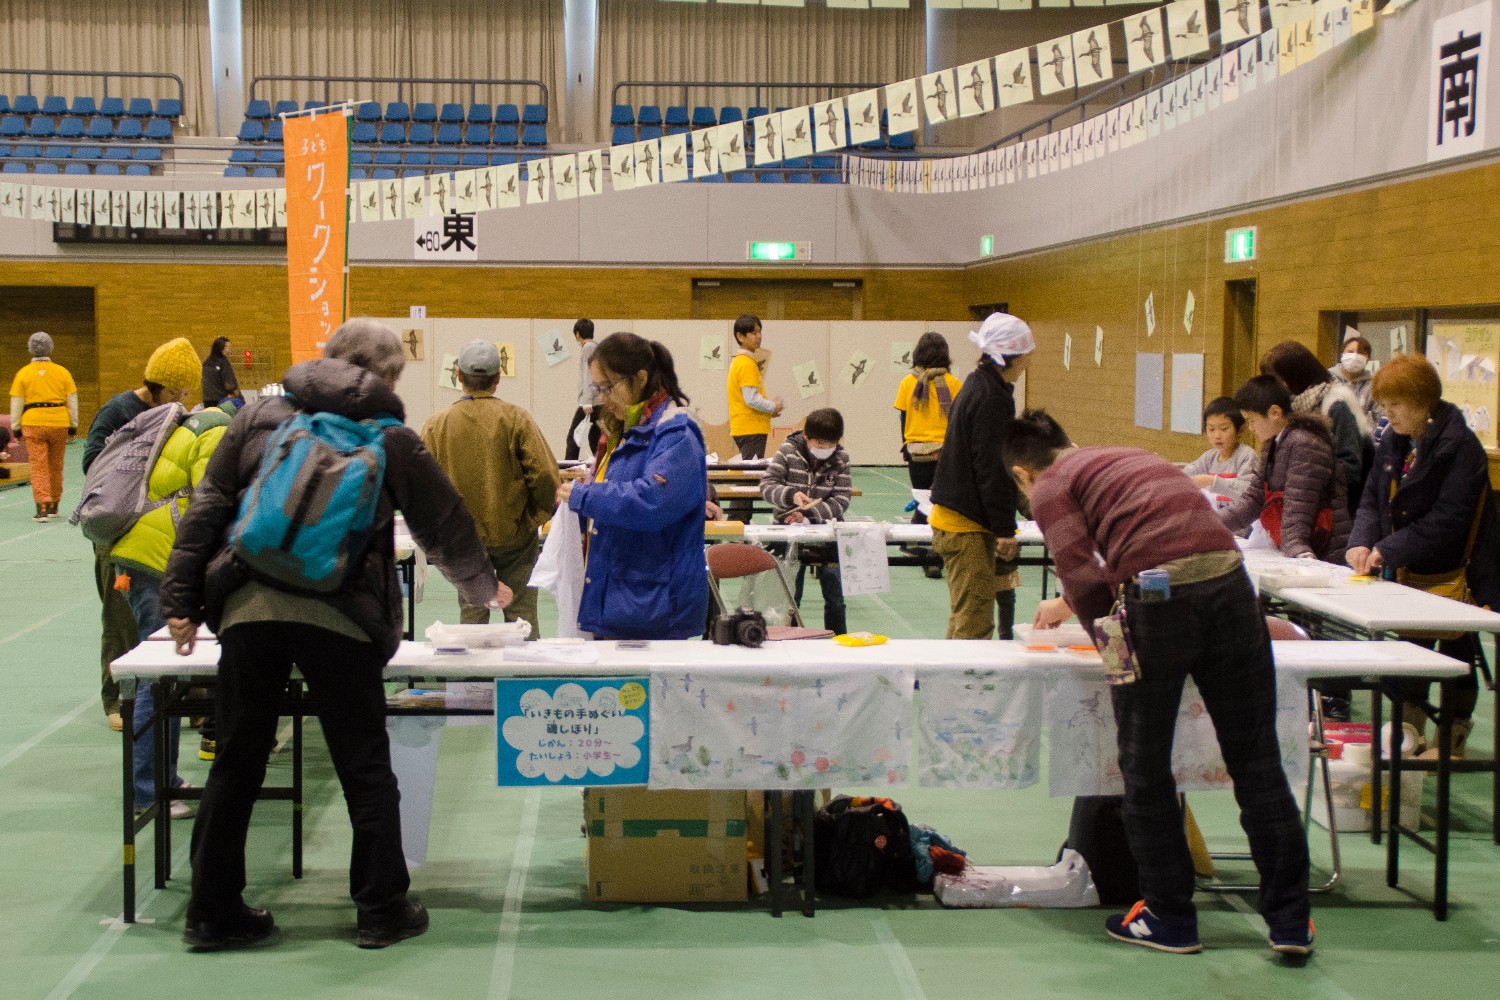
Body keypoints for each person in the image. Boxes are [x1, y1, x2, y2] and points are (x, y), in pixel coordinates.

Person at [161, 318, 508, 951]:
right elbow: (444, 522)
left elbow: (209, 506)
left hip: (248, 606)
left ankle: (211, 912)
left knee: (236, 759)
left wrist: (182, 600)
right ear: (388, 377)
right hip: (342, 616)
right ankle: (380, 910)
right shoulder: (391, 437)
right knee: (365, 764)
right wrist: (486, 589)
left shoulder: (259, 416)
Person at [1006, 409, 1313, 958]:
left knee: (1144, 768)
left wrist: (1115, 655)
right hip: (1232, 589)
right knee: (1257, 760)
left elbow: (1081, 577)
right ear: (1069, 440)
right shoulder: (1130, 457)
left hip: (1160, 604)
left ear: (1021, 473)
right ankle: (1290, 921)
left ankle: (1170, 916)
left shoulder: (1049, 485)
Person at [1347, 354, 1489, 757]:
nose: (1388, 414)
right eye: (1383, 406)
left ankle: (1453, 739)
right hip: (1409, 568)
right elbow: (1373, 502)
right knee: (1410, 650)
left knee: (1457, 651)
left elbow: (1451, 519)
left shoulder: (1460, 447)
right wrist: (1361, 542)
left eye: (1396, 406)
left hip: (1456, 570)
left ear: (1425, 402)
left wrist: (1386, 548)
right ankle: (1409, 734)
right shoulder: (1393, 440)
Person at [112, 386, 235, 822]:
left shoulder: (189, 424)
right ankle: (148, 790)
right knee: (155, 677)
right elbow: (211, 499)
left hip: (135, 552)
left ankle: (163, 776)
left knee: (161, 674)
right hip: (153, 558)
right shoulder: (219, 432)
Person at [556, 332, 708, 640]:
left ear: (639, 378)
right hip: (621, 597)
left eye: (608, 386)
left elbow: (653, 501)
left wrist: (586, 496)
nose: (602, 397)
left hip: (655, 605)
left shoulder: (676, 432)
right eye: (597, 388)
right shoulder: (621, 432)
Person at [83, 337, 201, 731]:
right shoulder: (119, 410)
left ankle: (182, 696)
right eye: (180, 391)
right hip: (116, 533)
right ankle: (116, 697)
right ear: (162, 386)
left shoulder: (174, 415)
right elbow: (92, 466)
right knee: (119, 619)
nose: (184, 399)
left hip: (156, 530)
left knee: (168, 613)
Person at [421, 339, 561, 637]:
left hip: (464, 541)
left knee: (472, 617)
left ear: (458, 375)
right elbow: (546, 476)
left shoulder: (436, 426)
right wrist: (533, 517)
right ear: (498, 379)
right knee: (523, 619)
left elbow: (424, 488)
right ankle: (524, 681)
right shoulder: (516, 419)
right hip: (514, 536)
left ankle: (472, 682)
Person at [928, 313, 1033, 639]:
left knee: (964, 620)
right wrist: (1004, 529)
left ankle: (946, 688)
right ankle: (962, 690)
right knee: (974, 628)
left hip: (959, 520)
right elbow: (991, 467)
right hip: (966, 527)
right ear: (1015, 356)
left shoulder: (979, 384)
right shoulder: (990, 397)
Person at [1219, 375, 1351, 563]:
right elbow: (1254, 498)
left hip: (1323, 550)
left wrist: (1296, 548)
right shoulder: (1273, 442)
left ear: (1275, 412)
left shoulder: (1304, 443)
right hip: (1298, 545)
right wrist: (1213, 525)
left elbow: (1299, 505)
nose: (1250, 428)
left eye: (1252, 420)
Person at [759, 407, 852, 636]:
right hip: (788, 536)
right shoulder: (788, 451)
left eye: (829, 444)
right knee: (791, 595)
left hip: (827, 536)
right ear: (807, 437)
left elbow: (841, 499)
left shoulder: (841, 458)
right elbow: (767, 485)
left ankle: (838, 639)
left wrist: (811, 514)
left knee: (835, 598)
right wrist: (791, 495)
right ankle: (791, 639)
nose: (824, 449)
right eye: (819, 443)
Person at [1262, 340, 1372, 515]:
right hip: (1303, 506)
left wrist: (1307, 476)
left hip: (1337, 511)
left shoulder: (1336, 405)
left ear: (1296, 376)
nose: (1277, 387)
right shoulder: (1290, 407)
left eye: (1280, 380)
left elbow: (1351, 466)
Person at [893, 332, 962, 579]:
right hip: (944, 452)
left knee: (923, 500)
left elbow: (903, 417)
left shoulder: (907, 382)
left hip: (916, 451)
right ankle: (934, 558)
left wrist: (905, 447)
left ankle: (912, 542)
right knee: (940, 505)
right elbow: (957, 421)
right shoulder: (953, 383)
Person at [9, 331, 77, 522]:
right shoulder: (63, 372)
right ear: (51, 348)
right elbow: (72, 401)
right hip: (59, 422)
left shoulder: (22, 374)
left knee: (39, 466)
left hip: (33, 422)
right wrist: (73, 425)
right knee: (56, 465)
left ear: (30, 349)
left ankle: (43, 507)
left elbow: (17, 402)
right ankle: (55, 504)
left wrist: (16, 427)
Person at [1182, 395, 1259, 512]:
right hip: (1214, 523)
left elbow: (1248, 491)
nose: (1217, 436)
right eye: (1211, 429)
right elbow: (1187, 472)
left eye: (1224, 429)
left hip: (1240, 526)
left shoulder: (1246, 455)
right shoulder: (1209, 457)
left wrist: (1212, 481)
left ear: (1240, 429)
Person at [726, 313, 783, 461]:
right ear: (740, 336)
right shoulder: (745, 363)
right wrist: (772, 406)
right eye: (753, 332)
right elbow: (751, 399)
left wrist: (769, 412)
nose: (759, 336)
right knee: (750, 477)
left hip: (748, 428)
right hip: (750, 429)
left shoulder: (743, 361)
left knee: (749, 475)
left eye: (759, 332)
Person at [564, 319, 601, 461]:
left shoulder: (588, 348)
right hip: (597, 402)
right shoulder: (595, 347)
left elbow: (589, 374)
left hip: (591, 403)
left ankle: (568, 470)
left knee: (573, 437)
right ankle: (599, 467)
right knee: (594, 437)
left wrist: (587, 402)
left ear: (578, 334)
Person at [1329, 334, 1383, 425]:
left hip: (1358, 436)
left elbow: (1381, 416)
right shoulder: (1328, 378)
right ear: (1342, 354)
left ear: (1367, 358)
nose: (1354, 356)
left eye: (1360, 353)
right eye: (1350, 351)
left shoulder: (1372, 385)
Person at [200, 336, 241, 409]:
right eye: (228, 348)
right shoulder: (223, 362)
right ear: (220, 348)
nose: (229, 351)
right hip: (222, 402)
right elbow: (230, 384)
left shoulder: (206, 363)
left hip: (207, 402)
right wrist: (240, 397)